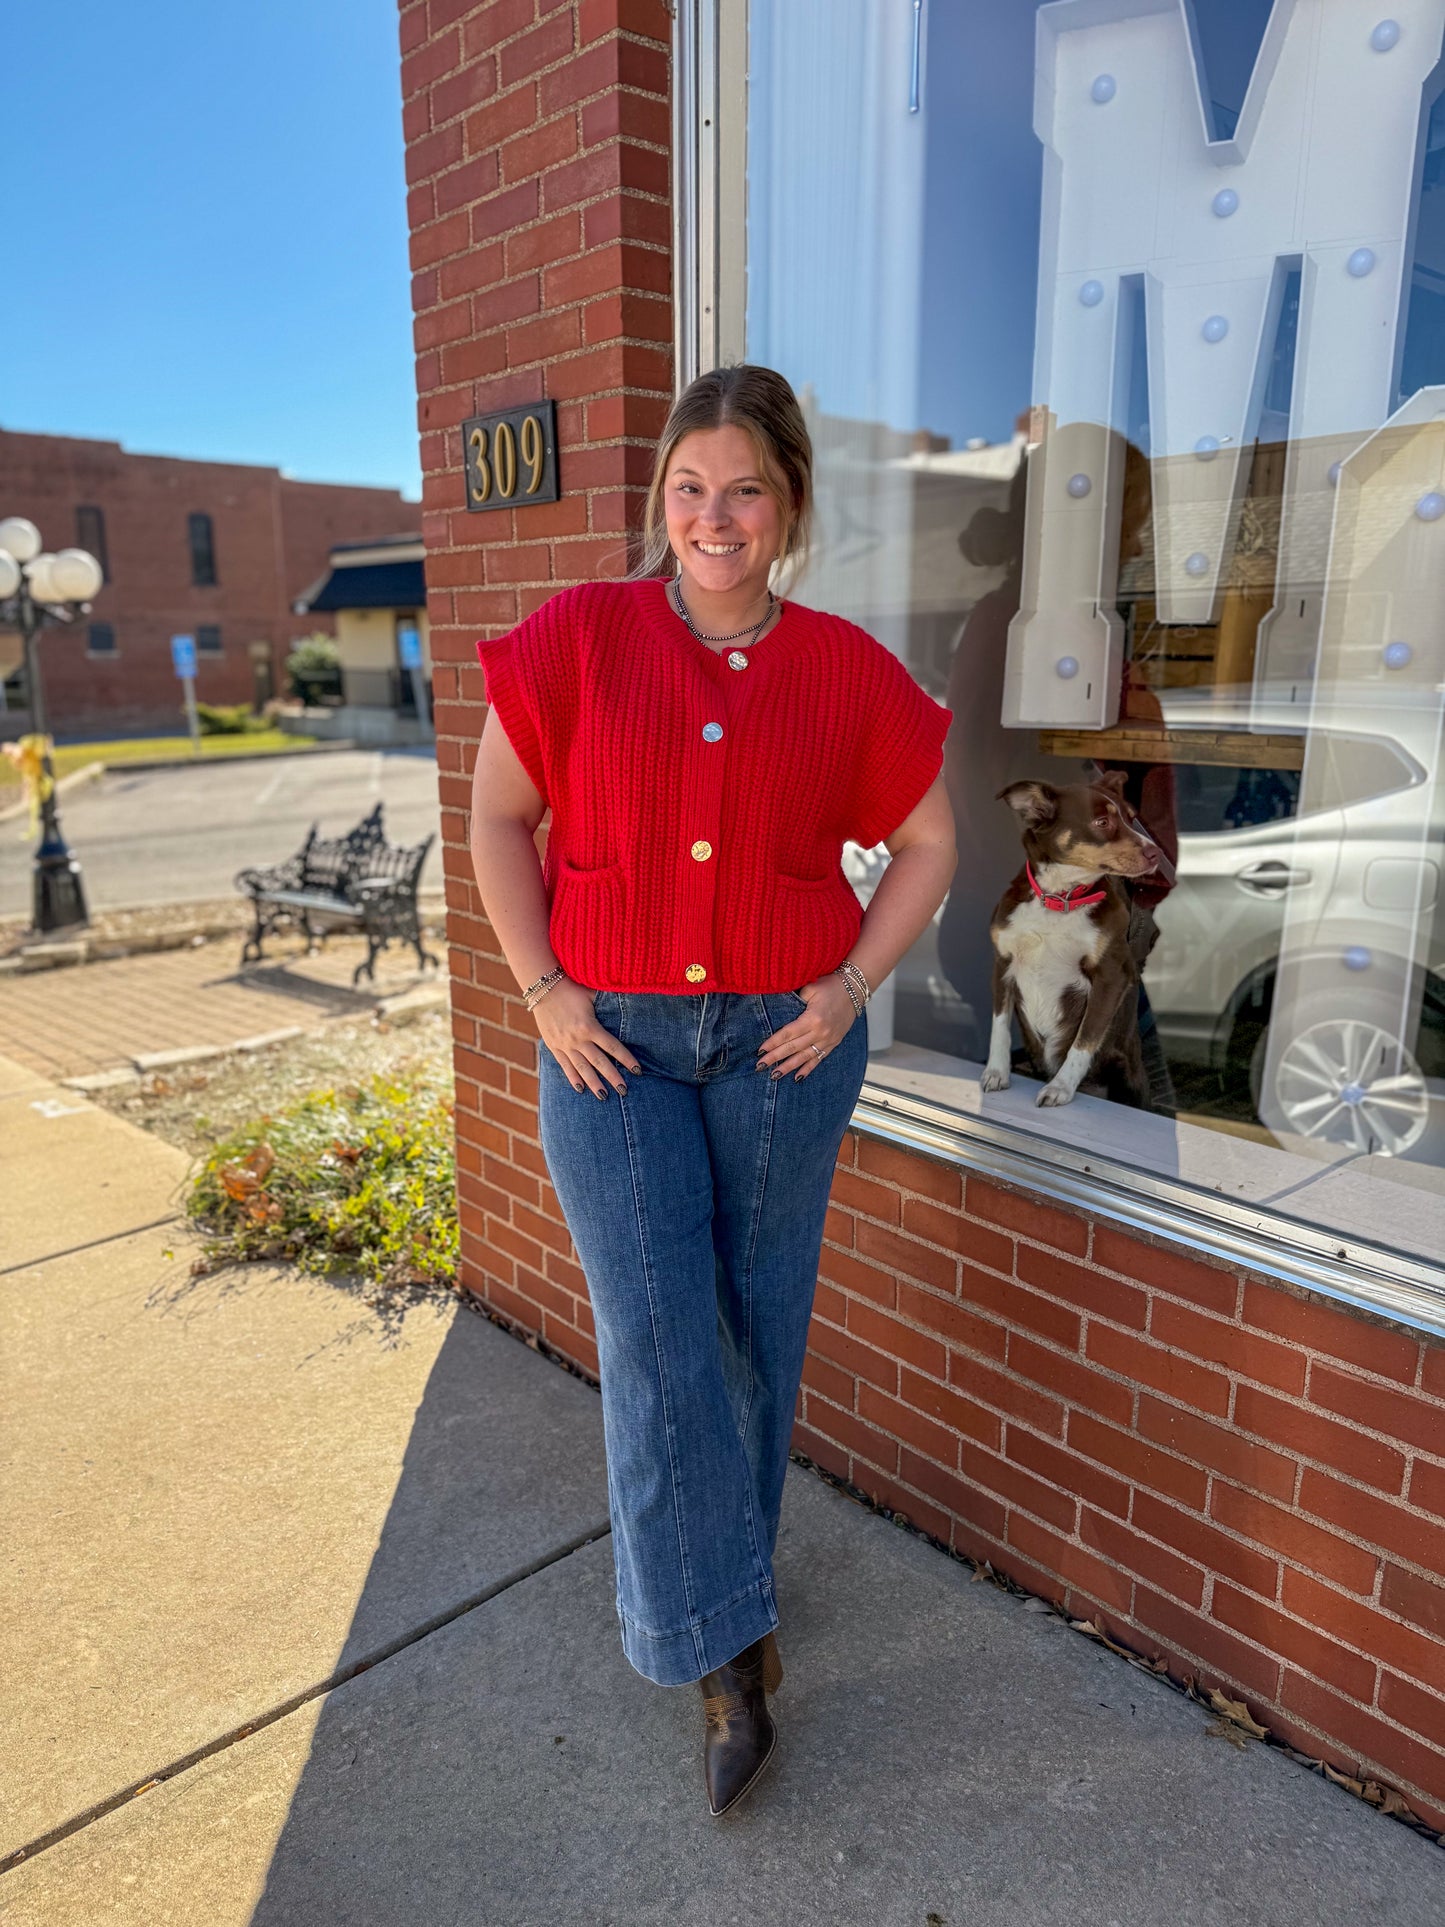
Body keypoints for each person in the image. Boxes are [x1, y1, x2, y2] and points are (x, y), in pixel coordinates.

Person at [468, 363, 956, 1817]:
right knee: (659, 1329)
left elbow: (925, 845)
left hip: (780, 1047)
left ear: (787, 503)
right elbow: (496, 816)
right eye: (688, 487)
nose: (712, 515)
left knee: (754, 1324)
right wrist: (544, 993)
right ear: (659, 500)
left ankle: (723, 1599)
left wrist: (851, 985)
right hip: (605, 1042)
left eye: (742, 488)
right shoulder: (578, 639)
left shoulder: (844, 671)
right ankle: (721, 1653)